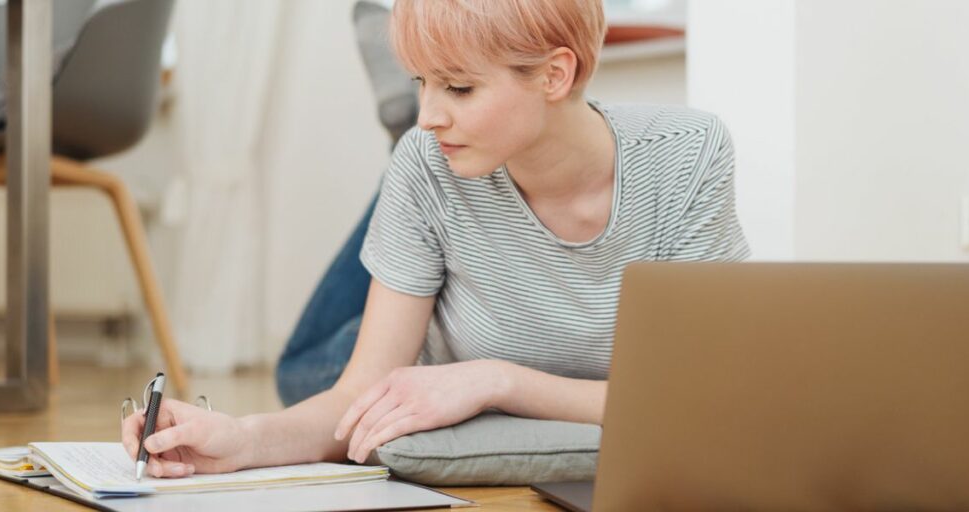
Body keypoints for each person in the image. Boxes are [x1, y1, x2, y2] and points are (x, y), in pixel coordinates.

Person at [122, 0, 750, 478]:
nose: (426, 114)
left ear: (556, 75)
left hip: (456, 363)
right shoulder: (425, 159)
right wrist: (239, 439)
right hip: (397, 358)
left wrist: (495, 380)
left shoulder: (686, 157)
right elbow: (358, 394)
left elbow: (700, 397)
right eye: (419, 82)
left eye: (458, 87)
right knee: (306, 369)